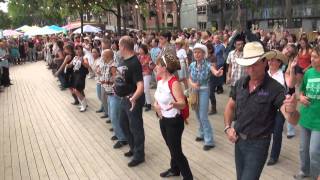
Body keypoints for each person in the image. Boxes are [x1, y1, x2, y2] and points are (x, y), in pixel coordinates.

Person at [224, 42, 300, 180]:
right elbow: (229, 106)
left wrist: (292, 110)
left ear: (265, 62)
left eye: (255, 64)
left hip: (258, 145)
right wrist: (227, 128)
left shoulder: (275, 88)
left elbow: (292, 119)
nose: (251, 69)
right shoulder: (241, 83)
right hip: (238, 141)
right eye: (248, 65)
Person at [154, 53, 193, 180]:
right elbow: (157, 98)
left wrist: (175, 104)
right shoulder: (160, 80)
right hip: (163, 119)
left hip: (174, 122)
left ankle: (188, 177)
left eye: (158, 65)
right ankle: (175, 169)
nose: (155, 67)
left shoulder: (174, 83)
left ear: (164, 67)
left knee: (176, 152)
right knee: (171, 147)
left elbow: (182, 103)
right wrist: (156, 105)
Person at [189, 43, 223, 150]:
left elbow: (214, 72)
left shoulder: (208, 65)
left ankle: (209, 140)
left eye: (199, 52)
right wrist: (192, 84)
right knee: (197, 114)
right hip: (194, 91)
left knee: (203, 115)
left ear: (204, 54)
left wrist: (218, 73)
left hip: (204, 90)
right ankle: (202, 133)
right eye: (195, 52)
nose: (197, 54)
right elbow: (189, 78)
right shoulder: (192, 65)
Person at [117, 36, 145, 167]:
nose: (118, 47)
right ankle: (133, 148)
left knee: (136, 127)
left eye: (119, 45)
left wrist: (134, 98)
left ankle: (139, 155)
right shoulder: (123, 60)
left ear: (123, 46)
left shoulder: (134, 62)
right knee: (123, 124)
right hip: (124, 98)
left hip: (133, 99)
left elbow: (140, 85)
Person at [294, 46, 320, 180]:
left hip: (318, 121)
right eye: (312, 56)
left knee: (314, 152)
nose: (312, 59)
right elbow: (301, 90)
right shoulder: (309, 73)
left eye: (315, 57)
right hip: (305, 117)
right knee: (303, 149)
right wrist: (301, 97)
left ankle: (316, 176)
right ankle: (304, 171)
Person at [265, 50, 289, 166]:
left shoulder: (284, 75)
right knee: (265, 130)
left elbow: (289, 90)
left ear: (279, 63)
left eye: (274, 60)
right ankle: (263, 151)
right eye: (270, 60)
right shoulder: (264, 74)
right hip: (265, 108)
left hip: (280, 108)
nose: (271, 62)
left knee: (277, 131)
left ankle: (274, 156)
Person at [66, 45, 89, 112]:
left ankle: (84, 105)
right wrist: (67, 65)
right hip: (74, 75)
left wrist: (82, 61)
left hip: (81, 76)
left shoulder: (84, 58)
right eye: (76, 49)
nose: (78, 51)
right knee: (76, 90)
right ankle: (83, 104)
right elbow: (70, 65)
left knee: (77, 90)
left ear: (82, 50)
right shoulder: (75, 57)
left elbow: (87, 66)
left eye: (79, 49)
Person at [138, 44, 153, 111]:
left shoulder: (148, 56)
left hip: (147, 74)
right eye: (139, 49)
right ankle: (145, 102)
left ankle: (149, 104)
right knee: (143, 89)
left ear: (144, 49)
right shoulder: (139, 57)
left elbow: (144, 64)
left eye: (141, 49)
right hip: (142, 74)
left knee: (146, 89)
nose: (139, 50)